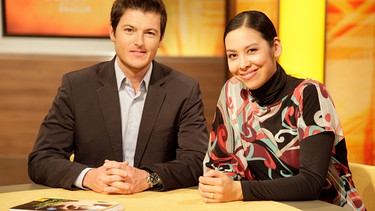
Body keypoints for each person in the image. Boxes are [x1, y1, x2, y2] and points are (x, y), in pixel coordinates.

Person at [28, 0, 208, 195]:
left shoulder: (184, 90)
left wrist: (148, 178)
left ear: (161, 38)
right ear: (113, 32)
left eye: (149, 33)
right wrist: (89, 177)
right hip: (95, 203)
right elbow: (42, 159)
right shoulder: (77, 86)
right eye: (129, 30)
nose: (139, 42)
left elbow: (197, 160)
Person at [198, 10, 365, 210]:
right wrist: (220, 185)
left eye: (252, 50)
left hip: (326, 206)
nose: (242, 64)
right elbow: (220, 164)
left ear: (275, 48)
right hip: (267, 206)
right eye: (233, 55)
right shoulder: (232, 91)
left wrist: (239, 190)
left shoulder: (310, 94)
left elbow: (311, 183)